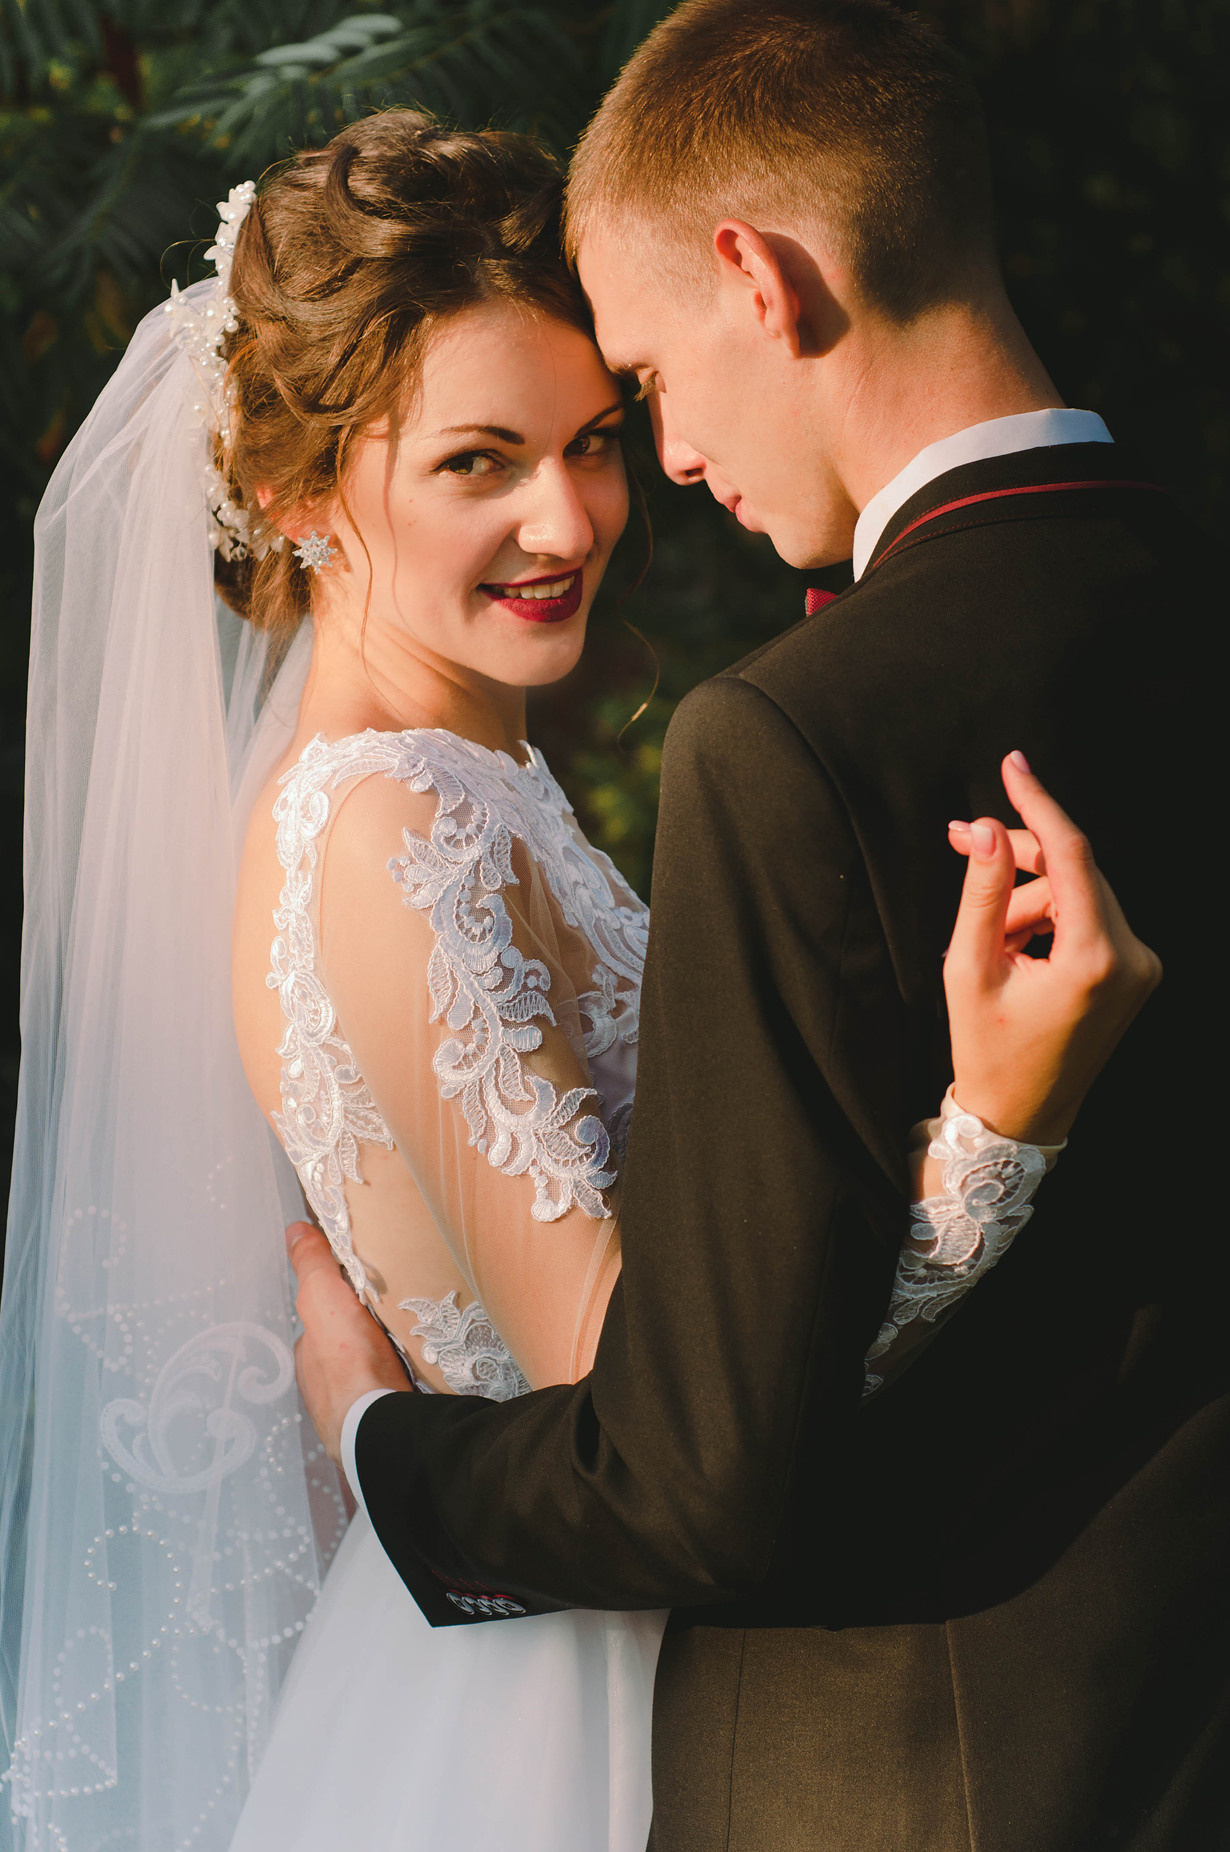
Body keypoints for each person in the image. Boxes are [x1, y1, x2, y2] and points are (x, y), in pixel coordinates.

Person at [0, 99, 1155, 1852]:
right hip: (562, 1703)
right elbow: (661, 1419)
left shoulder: (476, 788)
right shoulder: (387, 834)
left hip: (593, 1648)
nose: (569, 518)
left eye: (593, 441)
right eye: (478, 462)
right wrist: (996, 1131)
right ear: (294, 490)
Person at [290, 5, 1224, 1851]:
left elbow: (697, 1478)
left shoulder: (792, 734)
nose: (664, 461)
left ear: (756, 276)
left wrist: (376, 1443)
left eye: (642, 385)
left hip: (897, 1773)